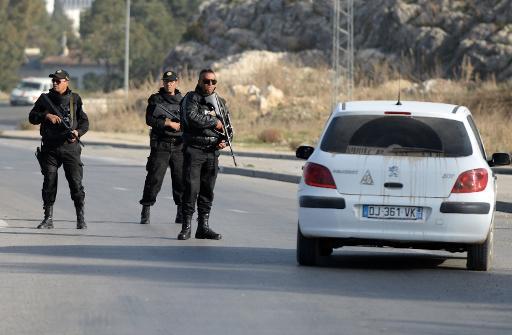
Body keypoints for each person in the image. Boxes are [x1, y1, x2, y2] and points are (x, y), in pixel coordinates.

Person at [28, 69, 89, 229]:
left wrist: (77, 132)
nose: (55, 83)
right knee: (49, 181)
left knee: (76, 183)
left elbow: (84, 122)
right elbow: (32, 117)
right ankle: (48, 218)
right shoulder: (45, 99)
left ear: (66, 82)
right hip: (50, 149)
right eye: (53, 80)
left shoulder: (75, 99)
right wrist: (46, 116)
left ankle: (80, 218)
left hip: (70, 148)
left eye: (58, 80)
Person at [178, 68, 231, 240]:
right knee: (191, 189)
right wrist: (213, 121)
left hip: (212, 152)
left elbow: (228, 126)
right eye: (206, 81)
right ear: (199, 82)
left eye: (213, 81)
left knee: (207, 191)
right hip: (194, 150)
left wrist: (225, 140)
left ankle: (203, 227)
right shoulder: (191, 98)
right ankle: (186, 226)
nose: (209, 84)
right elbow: (191, 118)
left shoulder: (220, 102)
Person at [139, 70, 184, 225]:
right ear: (163, 82)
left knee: (180, 180)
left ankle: (181, 211)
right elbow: (149, 119)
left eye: (171, 81)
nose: (169, 84)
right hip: (161, 144)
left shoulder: (184, 101)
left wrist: (181, 126)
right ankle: (146, 208)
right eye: (166, 81)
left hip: (179, 145)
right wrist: (168, 123)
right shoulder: (156, 99)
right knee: (154, 178)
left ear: (176, 82)